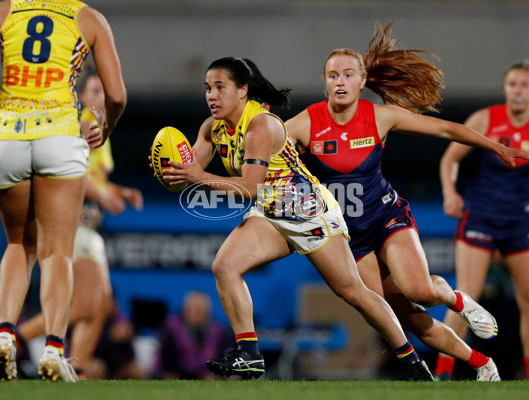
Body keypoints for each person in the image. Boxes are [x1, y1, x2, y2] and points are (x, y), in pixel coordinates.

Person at [284, 23, 529, 382]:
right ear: (325, 81)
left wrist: (496, 146)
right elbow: (261, 150)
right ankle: (483, 363)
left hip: (386, 218)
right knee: (404, 316)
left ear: (361, 81)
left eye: (347, 74)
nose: (339, 81)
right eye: (332, 75)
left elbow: (446, 130)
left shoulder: (378, 117)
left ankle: (459, 302)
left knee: (419, 289)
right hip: (347, 238)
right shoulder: (304, 123)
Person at [157, 56, 434, 381]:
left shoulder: (261, 125)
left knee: (353, 292)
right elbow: (189, 171)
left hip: (306, 208)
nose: (212, 95)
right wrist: (172, 171)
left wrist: (195, 175)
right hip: (271, 210)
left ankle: (412, 361)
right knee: (225, 266)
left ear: (243, 90)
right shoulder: (211, 128)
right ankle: (249, 353)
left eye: (221, 87)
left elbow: (248, 187)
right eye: (208, 88)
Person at [0, 0, 126, 381]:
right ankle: (54, 350)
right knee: (56, 251)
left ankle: (6, 336)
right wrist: (104, 130)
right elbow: (117, 95)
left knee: (17, 245)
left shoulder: (2, 11)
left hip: (7, 132)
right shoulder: (88, 17)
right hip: (59, 131)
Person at [436, 59, 529, 380]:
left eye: (525, 84)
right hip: (481, 217)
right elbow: (451, 158)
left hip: (520, 222)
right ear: (505, 89)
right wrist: (449, 192)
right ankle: (443, 370)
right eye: (513, 84)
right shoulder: (485, 119)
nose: (518, 91)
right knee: (466, 295)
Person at [16, 69, 142, 379]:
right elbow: (70, 173)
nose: (103, 98)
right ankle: (12, 338)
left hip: (89, 225)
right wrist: (101, 194)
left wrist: (120, 191)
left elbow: (95, 179)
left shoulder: (100, 129)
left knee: (99, 307)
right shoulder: (82, 122)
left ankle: (76, 371)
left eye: (105, 91)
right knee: (86, 306)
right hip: (72, 223)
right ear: (82, 96)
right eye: (96, 91)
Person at [156, 291, 235, 380]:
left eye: (201, 309)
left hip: (209, 376)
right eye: (193, 308)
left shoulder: (220, 332)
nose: (197, 312)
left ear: (208, 312)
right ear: (185, 310)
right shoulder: (171, 330)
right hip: (177, 374)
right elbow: (164, 358)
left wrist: (217, 373)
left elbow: (226, 358)